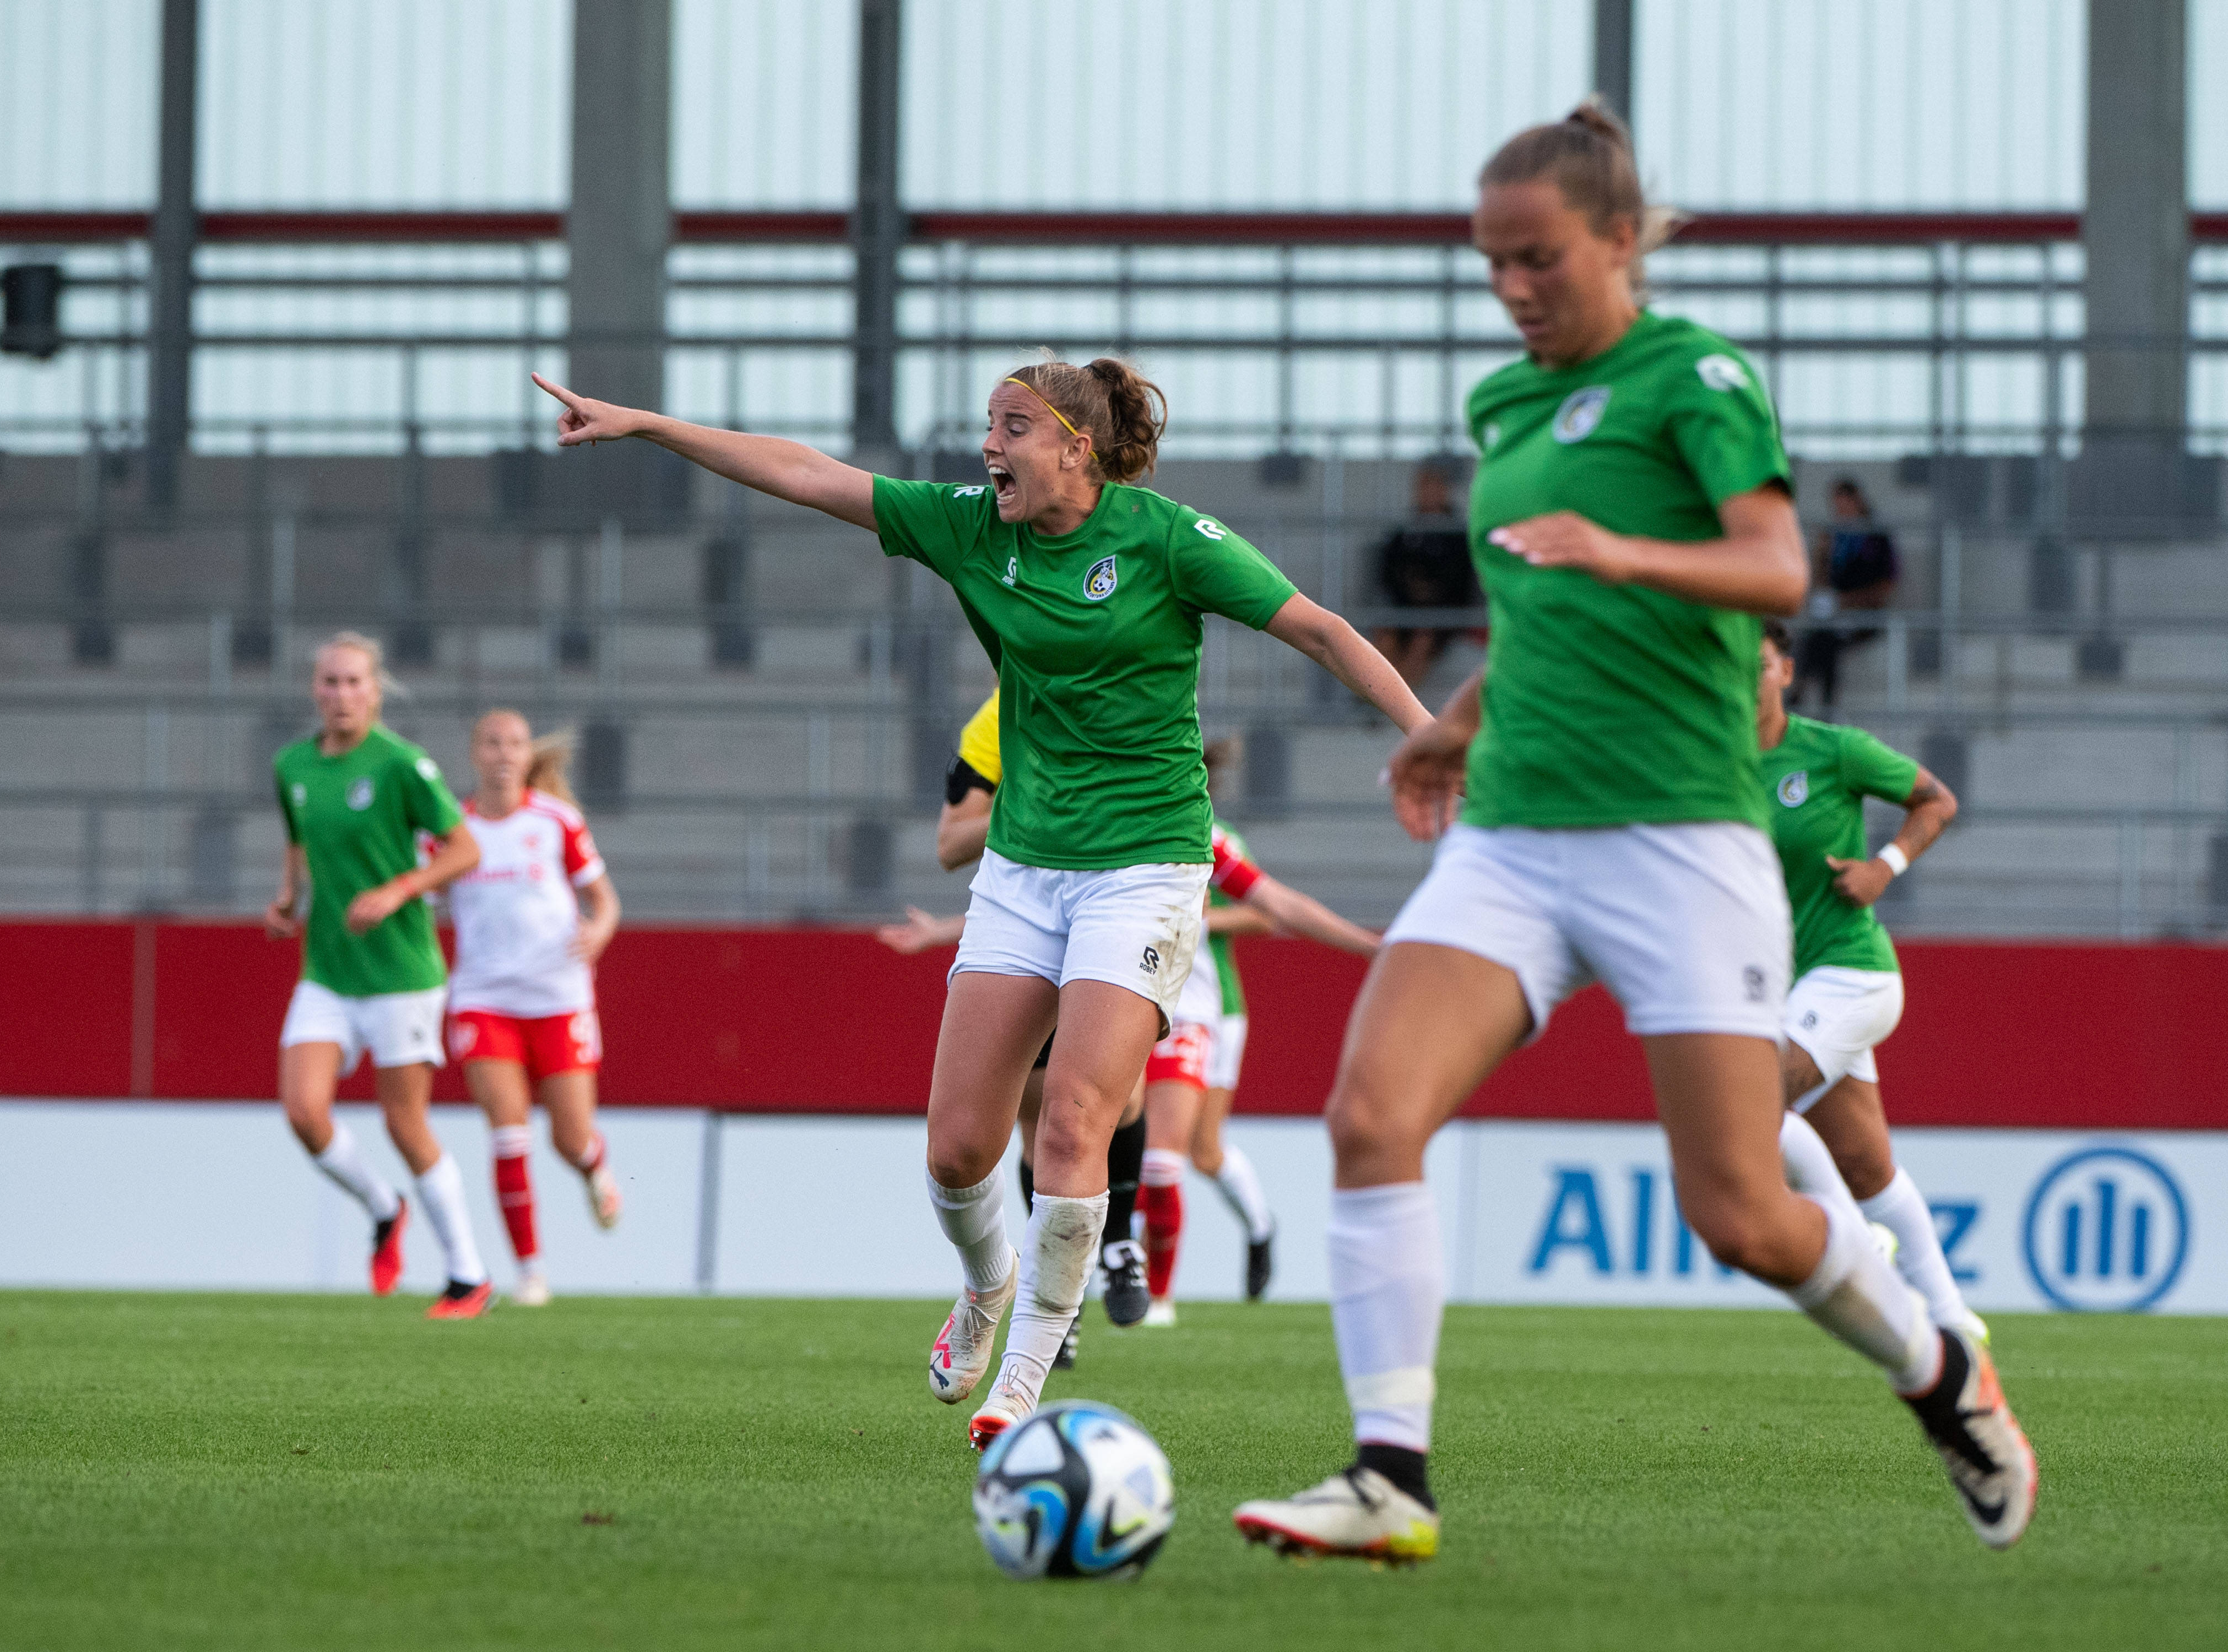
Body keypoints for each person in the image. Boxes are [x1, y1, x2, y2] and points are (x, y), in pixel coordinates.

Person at [1233, 99, 2034, 1563]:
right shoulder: (1502, 408)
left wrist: (1622, 550)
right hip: (1516, 831)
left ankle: (1940, 1373)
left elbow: (1776, 564)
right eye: (1490, 263)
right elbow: (1540, 613)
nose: (1513, 288)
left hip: (1680, 841)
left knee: (1739, 1213)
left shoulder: (1696, 377)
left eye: (1538, 257)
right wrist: (1455, 725)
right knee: (1366, 1116)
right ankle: (1388, 1475)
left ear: (1619, 238)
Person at [535, 352, 1430, 1451]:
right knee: (959, 1150)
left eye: (1012, 427)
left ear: (1076, 449)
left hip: (1146, 863)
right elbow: (806, 473)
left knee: (1074, 1122)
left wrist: (1428, 744)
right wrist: (644, 423)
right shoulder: (971, 529)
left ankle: (1026, 1373)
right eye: (987, 426)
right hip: (1023, 866)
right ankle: (989, 1282)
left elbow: (1325, 631)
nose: (989, 447)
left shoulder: (1166, 540)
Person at [1754, 622, 1983, 1341]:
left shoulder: (1832, 751)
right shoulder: (1712, 766)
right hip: (1791, 990)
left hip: (1854, 974)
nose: (1743, 676)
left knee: (1745, 1106)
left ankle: (1854, 1243)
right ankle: (1951, 1318)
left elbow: (1937, 800)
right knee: (1867, 1163)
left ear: (1786, 671)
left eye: (1757, 663)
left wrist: (1885, 866)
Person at [268, 632, 493, 1318]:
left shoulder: (401, 766)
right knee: (305, 1112)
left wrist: (398, 891)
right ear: (316, 690)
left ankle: (467, 1275)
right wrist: (288, 898)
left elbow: (466, 849)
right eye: (330, 682)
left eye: (354, 683)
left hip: (402, 973)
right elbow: (300, 840)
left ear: (376, 690)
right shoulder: (294, 765)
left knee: (405, 1123)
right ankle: (382, 1205)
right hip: (329, 970)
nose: (341, 695)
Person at [924, 684, 1154, 1350]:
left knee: (1123, 1098)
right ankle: (1060, 1292)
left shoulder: (1124, 680)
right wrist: (1039, 809)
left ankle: (1118, 1247)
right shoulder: (996, 719)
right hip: (1031, 916)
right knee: (1037, 1119)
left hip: (1115, 905)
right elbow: (949, 841)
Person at [1138, 745, 1385, 1324]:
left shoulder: (1216, 840)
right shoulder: (1121, 832)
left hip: (1212, 1007)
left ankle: (1251, 1230)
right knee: (1150, 1149)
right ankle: (1125, 1275)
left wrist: (1197, 922)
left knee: (1198, 1151)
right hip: (1141, 1003)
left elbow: (1265, 914)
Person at [446, 708, 626, 1309]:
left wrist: (598, 932)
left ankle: (595, 1167)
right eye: (492, 742)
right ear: (475, 753)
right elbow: (422, 887)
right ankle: (531, 1272)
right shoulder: (452, 828)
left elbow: (604, 901)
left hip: (558, 996)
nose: (503, 753)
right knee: (508, 1128)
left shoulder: (557, 821)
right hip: (483, 998)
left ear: (528, 756)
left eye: (515, 744)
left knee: (570, 1138)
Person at [1790, 477, 1898, 711]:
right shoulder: (1835, 538)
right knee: (1818, 637)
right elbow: (1820, 583)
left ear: (1856, 502)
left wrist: (1845, 603)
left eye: (1843, 506)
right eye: (1835, 507)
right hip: (1834, 617)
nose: (1839, 512)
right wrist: (1822, 553)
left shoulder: (1877, 537)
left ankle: (1802, 696)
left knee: (1824, 641)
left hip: (1864, 616)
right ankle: (1820, 706)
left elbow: (1886, 588)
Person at [1367, 463, 1481, 688]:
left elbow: (1461, 582)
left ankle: (1400, 707)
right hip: (1406, 608)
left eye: (1434, 486)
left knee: (1422, 640)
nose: (1428, 492)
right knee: (1386, 638)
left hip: (1443, 614)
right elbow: (1389, 574)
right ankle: (1374, 704)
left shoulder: (1458, 534)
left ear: (1445, 490)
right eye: (1423, 486)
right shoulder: (1403, 533)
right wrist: (1412, 589)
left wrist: (1430, 593)